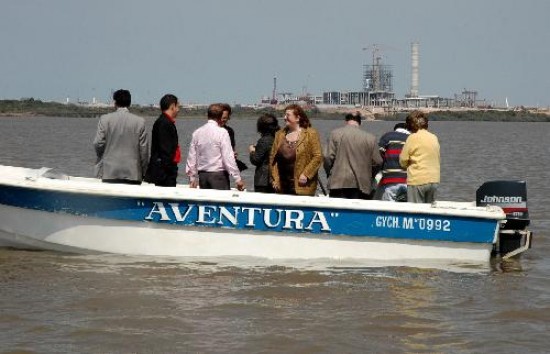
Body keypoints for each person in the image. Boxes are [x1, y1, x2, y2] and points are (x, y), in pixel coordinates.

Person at [93, 89, 149, 185]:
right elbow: (144, 151)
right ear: (129, 103)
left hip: (109, 172)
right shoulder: (140, 122)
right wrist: (144, 172)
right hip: (133, 173)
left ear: (115, 103)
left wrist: (102, 156)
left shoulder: (105, 119)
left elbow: (98, 143)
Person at [185, 103, 245, 191]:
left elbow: (191, 157)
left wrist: (192, 178)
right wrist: (237, 178)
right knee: (222, 203)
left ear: (207, 115)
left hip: (203, 176)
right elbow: (228, 157)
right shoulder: (222, 132)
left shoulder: (197, 132)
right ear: (220, 116)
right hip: (218, 176)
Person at [324, 113, 382, 199]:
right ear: (360, 123)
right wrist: (370, 175)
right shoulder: (371, 138)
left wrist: (330, 173)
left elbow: (327, 157)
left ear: (346, 121)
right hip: (362, 185)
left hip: (338, 183)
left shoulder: (335, 134)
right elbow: (378, 162)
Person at [269, 104, 322, 196]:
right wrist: (275, 179)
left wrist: (306, 174)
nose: (284, 118)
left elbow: (318, 156)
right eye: (284, 115)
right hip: (282, 186)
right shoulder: (279, 134)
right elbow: (272, 159)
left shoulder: (311, 134)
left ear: (297, 118)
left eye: (288, 115)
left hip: (302, 186)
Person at [399, 110, 440, 203]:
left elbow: (403, 160)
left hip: (417, 180)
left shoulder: (412, 137)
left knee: (415, 212)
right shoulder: (434, 137)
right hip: (434, 180)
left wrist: (407, 164)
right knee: (428, 212)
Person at [144, 94, 181, 187]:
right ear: (172, 106)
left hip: (163, 170)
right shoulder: (164, 123)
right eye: (177, 107)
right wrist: (170, 169)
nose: (178, 110)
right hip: (164, 173)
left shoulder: (164, 121)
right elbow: (165, 150)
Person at [373, 122, 410, 201]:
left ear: (395, 129)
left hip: (390, 179)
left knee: (388, 207)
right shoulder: (412, 138)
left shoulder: (388, 136)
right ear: (407, 129)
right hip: (408, 180)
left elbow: (378, 157)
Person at [249, 113, 279, 193]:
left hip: (263, 179)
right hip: (274, 177)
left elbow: (256, 160)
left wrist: (252, 151)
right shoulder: (277, 138)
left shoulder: (264, 141)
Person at [220, 103, 247, 172]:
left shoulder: (230, 131)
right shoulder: (208, 130)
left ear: (228, 117)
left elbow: (232, 146)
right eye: (221, 117)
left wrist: (233, 153)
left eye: (225, 118)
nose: (222, 119)